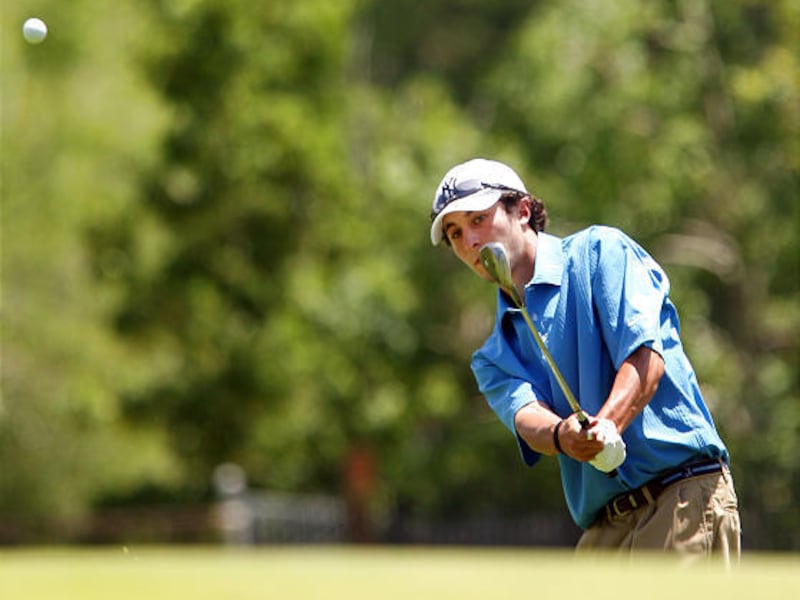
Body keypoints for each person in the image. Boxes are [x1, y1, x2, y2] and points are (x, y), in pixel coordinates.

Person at [429, 157, 741, 560]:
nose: (469, 241)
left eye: (478, 219)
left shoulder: (600, 253)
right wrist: (565, 436)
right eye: (455, 233)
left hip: (680, 493)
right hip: (605, 524)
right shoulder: (493, 354)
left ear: (522, 211)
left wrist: (607, 424)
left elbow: (646, 357)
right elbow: (527, 418)